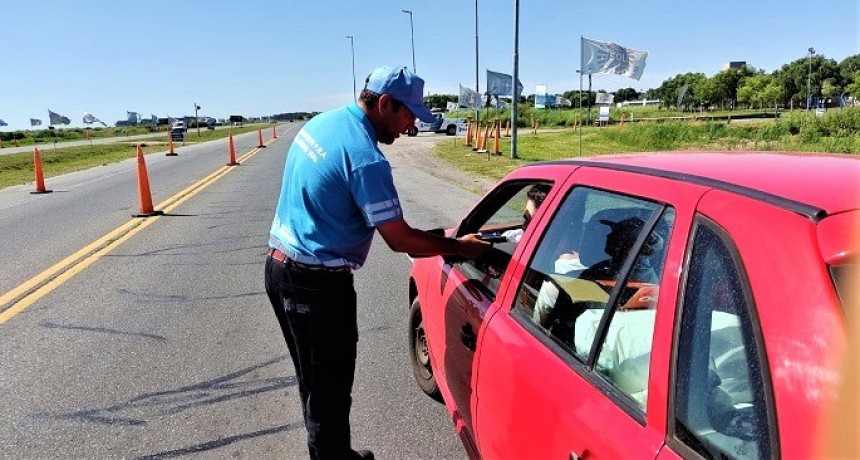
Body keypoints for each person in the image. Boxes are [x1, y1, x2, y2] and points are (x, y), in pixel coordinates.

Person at [264, 65, 489, 460]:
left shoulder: (325, 123)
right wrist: (461, 248)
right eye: (409, 115)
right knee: (329, 392)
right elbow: (400, 239)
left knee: (315, 382)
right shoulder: (367, 159)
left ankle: (335, 453)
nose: (411, 126)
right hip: (315, 287)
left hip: (281, 269)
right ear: (385, 104)